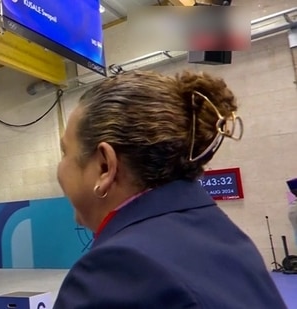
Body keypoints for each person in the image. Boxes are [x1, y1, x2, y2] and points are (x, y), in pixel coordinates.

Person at [54, 70, 287, 308]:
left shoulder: (118, 271)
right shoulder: (226, 237)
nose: (59, 167)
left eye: (65, 152)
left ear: (105, 166)